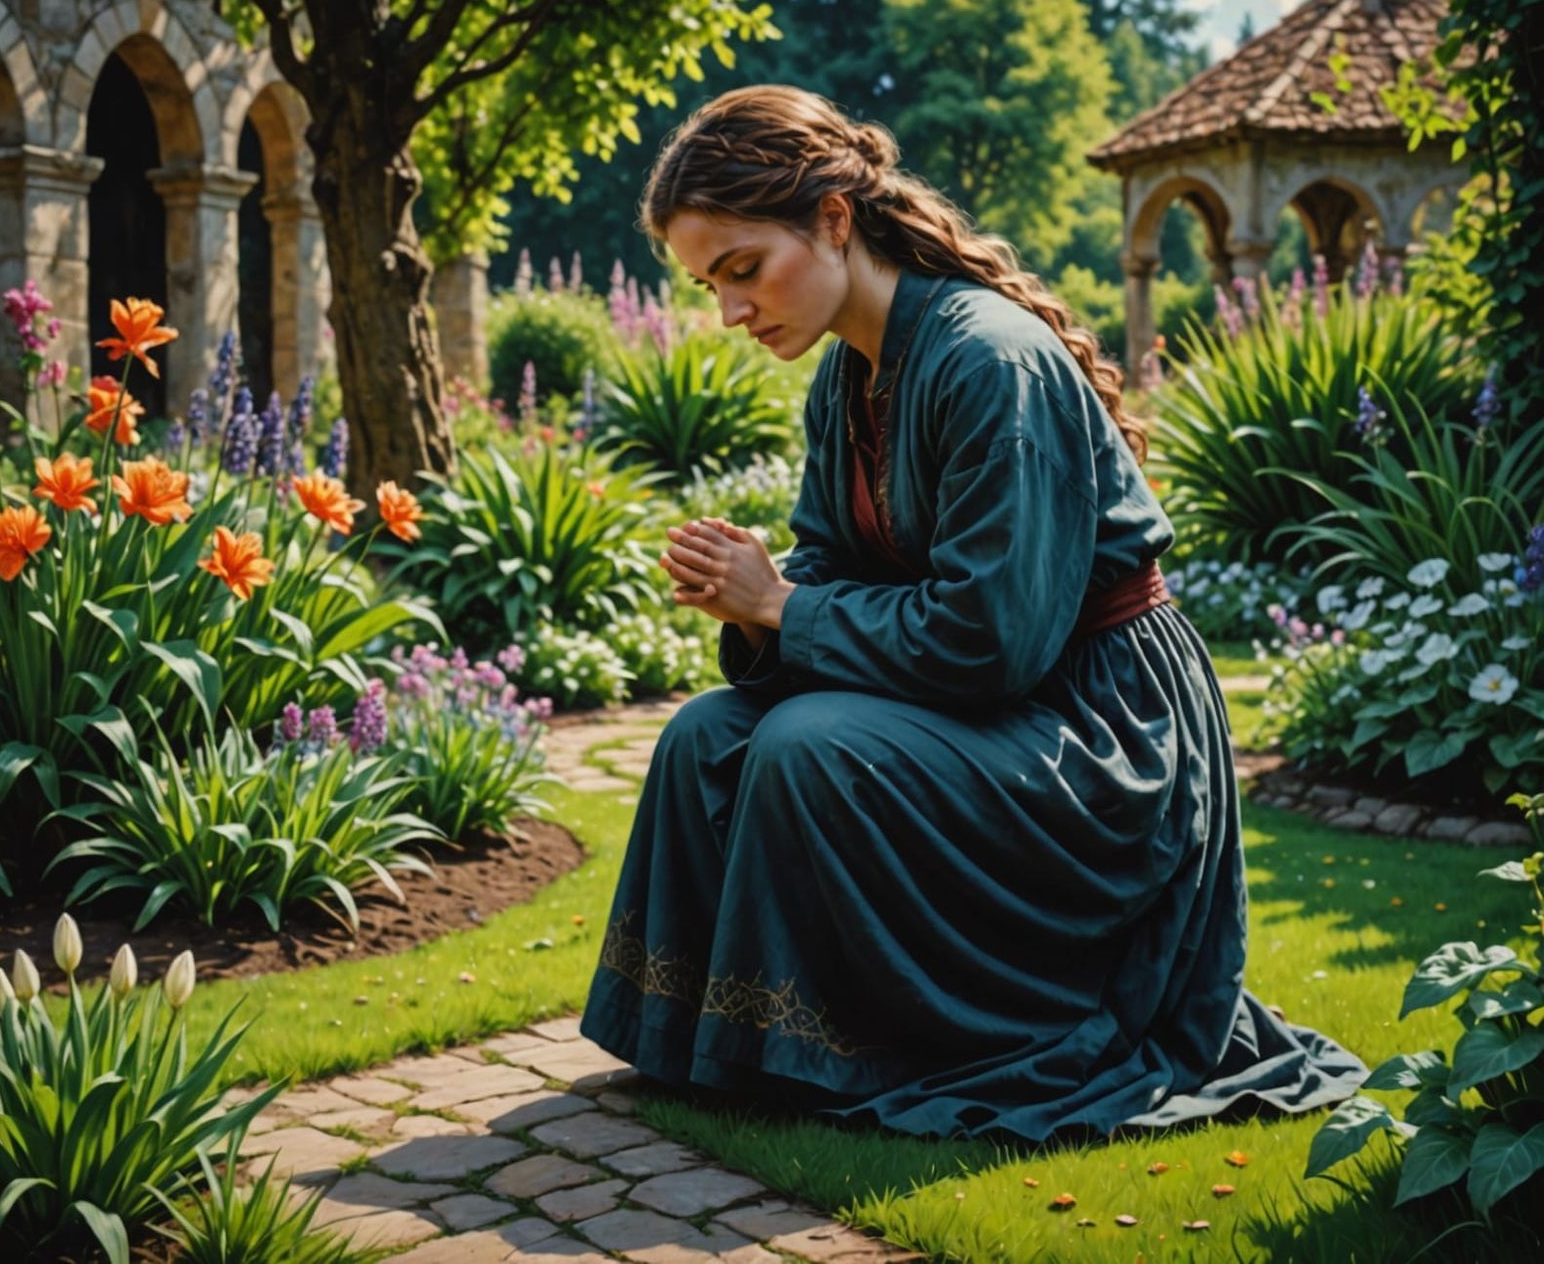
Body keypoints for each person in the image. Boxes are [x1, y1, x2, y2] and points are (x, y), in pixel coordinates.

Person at [578, 85, 1365, 1141]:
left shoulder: (987, 361)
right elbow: (827, 572)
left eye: (741, 269)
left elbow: (989, 641)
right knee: (703, 735)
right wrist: (759, 603)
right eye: (706, 282)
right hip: (993, 699)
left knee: (811, 747)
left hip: (1098, 730)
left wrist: (784, 604)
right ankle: (714, 1048)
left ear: (832, 220)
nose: (728, 308)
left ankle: (862, 1049)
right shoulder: (844, 382)